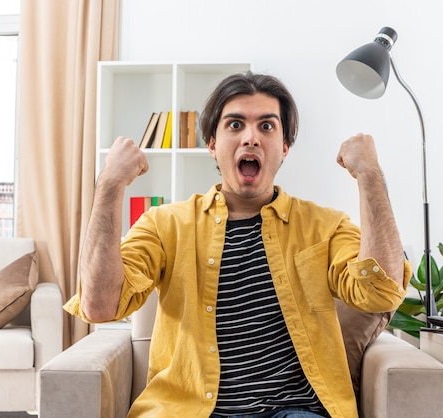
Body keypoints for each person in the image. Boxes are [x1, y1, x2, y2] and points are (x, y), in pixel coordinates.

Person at [64, 71, 411, 418]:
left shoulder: (326, 226)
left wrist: (369, 176)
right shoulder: (164, 224)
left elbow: (380, 292)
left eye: (267, 126)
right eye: (234, 125)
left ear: (285, 146)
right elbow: (100, 306)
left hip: (295, 411)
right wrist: (110, 184)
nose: (251, 138)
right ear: (212, 144)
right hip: (188, 409)